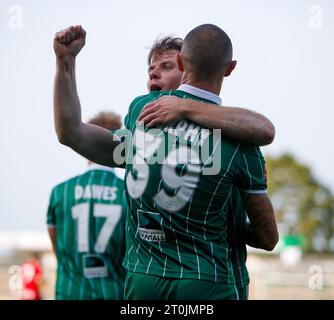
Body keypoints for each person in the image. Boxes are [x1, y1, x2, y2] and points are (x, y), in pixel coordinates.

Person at [53, 24, 279, 300]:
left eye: (167, 65)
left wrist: (184, 105)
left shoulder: (140, 116)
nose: (154, 72)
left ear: (186, 65)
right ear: (228, 68)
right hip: (209, 278)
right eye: (151, 68)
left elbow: (72, 132)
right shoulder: (238, 141)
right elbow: (267, 237)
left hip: (145, 279)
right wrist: (65, 62)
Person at [47, 111, 126, 300]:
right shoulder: (129, 193)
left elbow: (58, 249)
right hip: (114, 294)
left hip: (69, 293)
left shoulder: (61, 192)